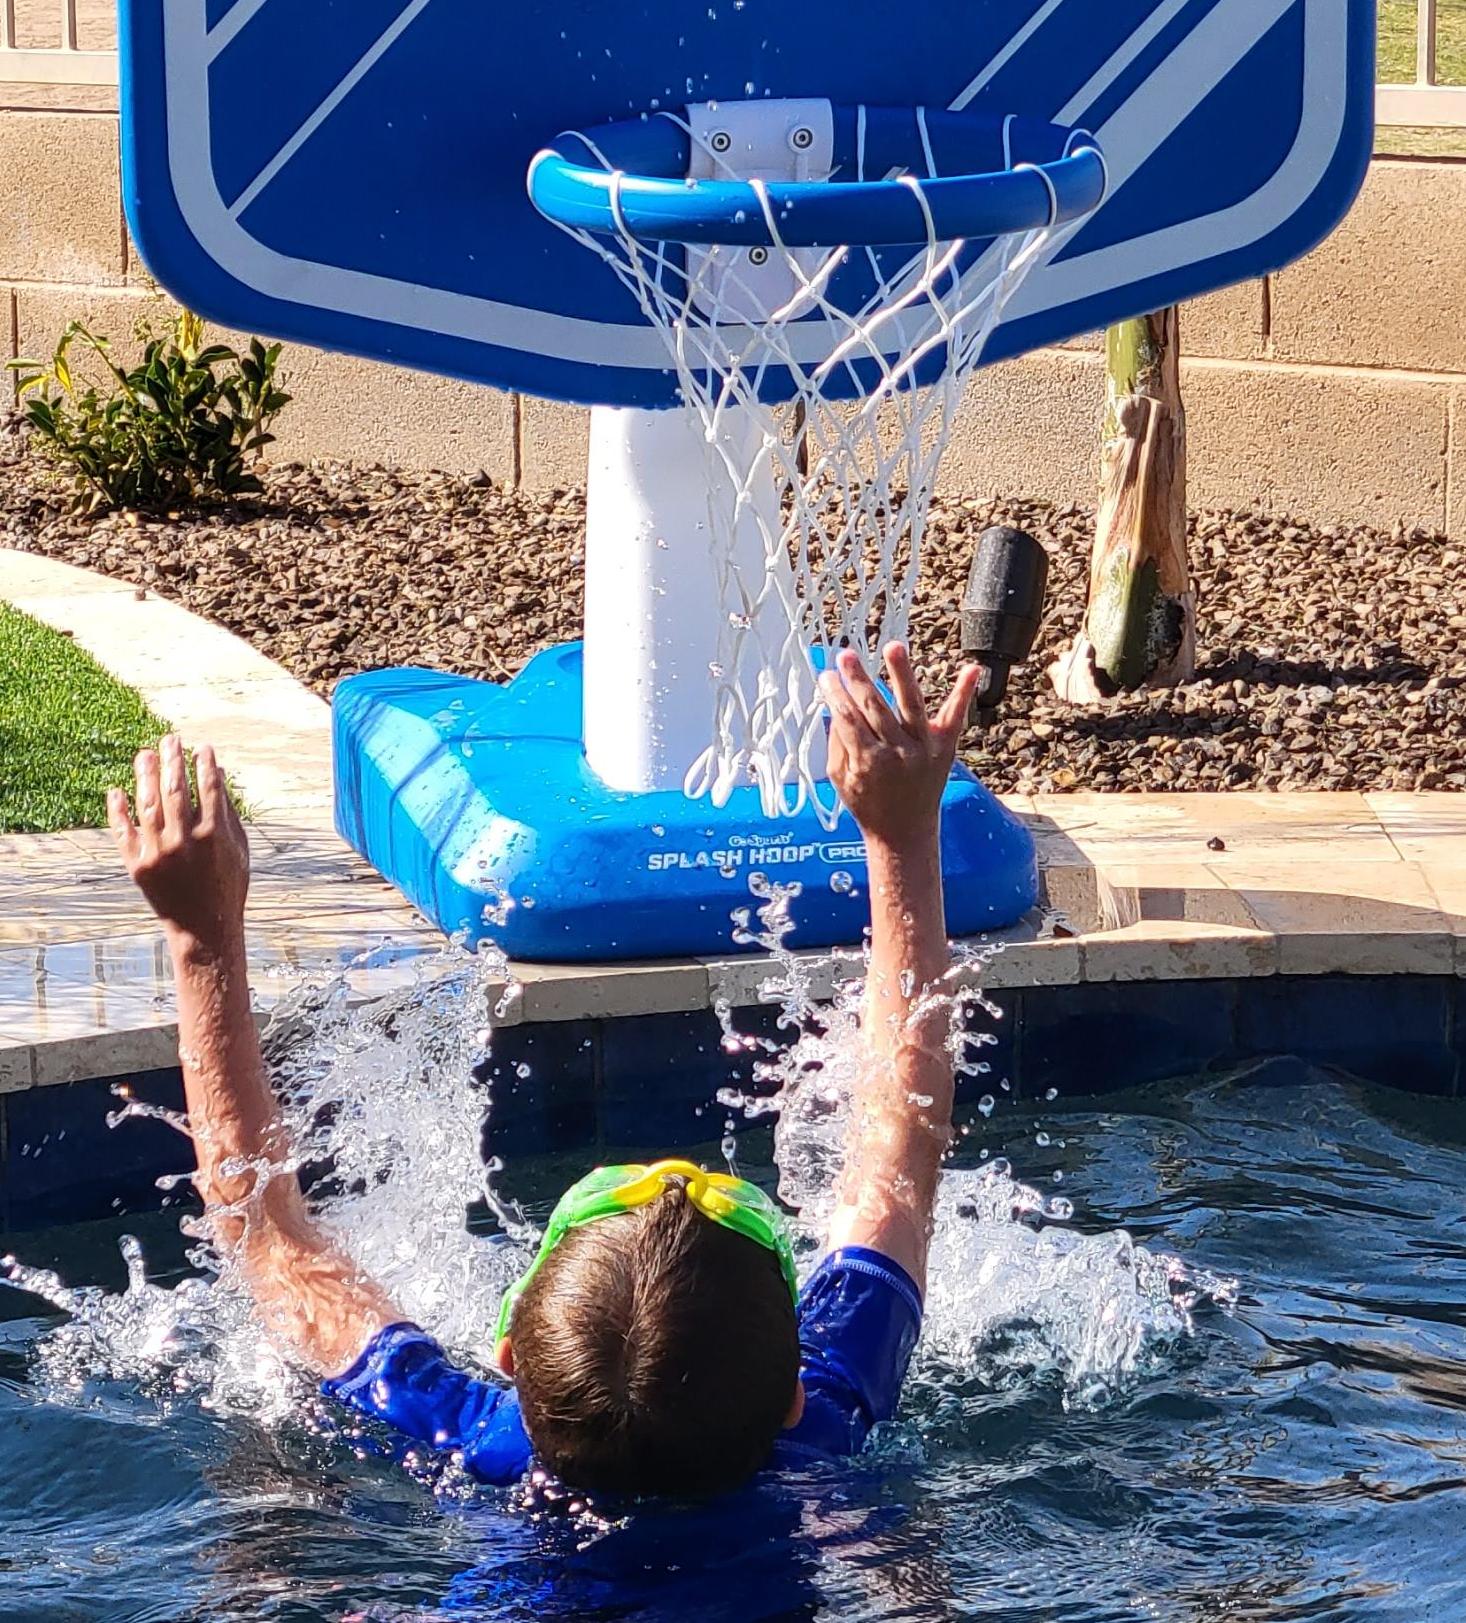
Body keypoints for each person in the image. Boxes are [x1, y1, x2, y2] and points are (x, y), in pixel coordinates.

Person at [107, 641, 984, 1511]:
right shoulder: (827, 1418)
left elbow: (266, 1238)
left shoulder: (478, 1442)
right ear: (791, 1388)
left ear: (511, 1363)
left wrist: (202, 939)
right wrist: (902, 837)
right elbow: (896, 1145)